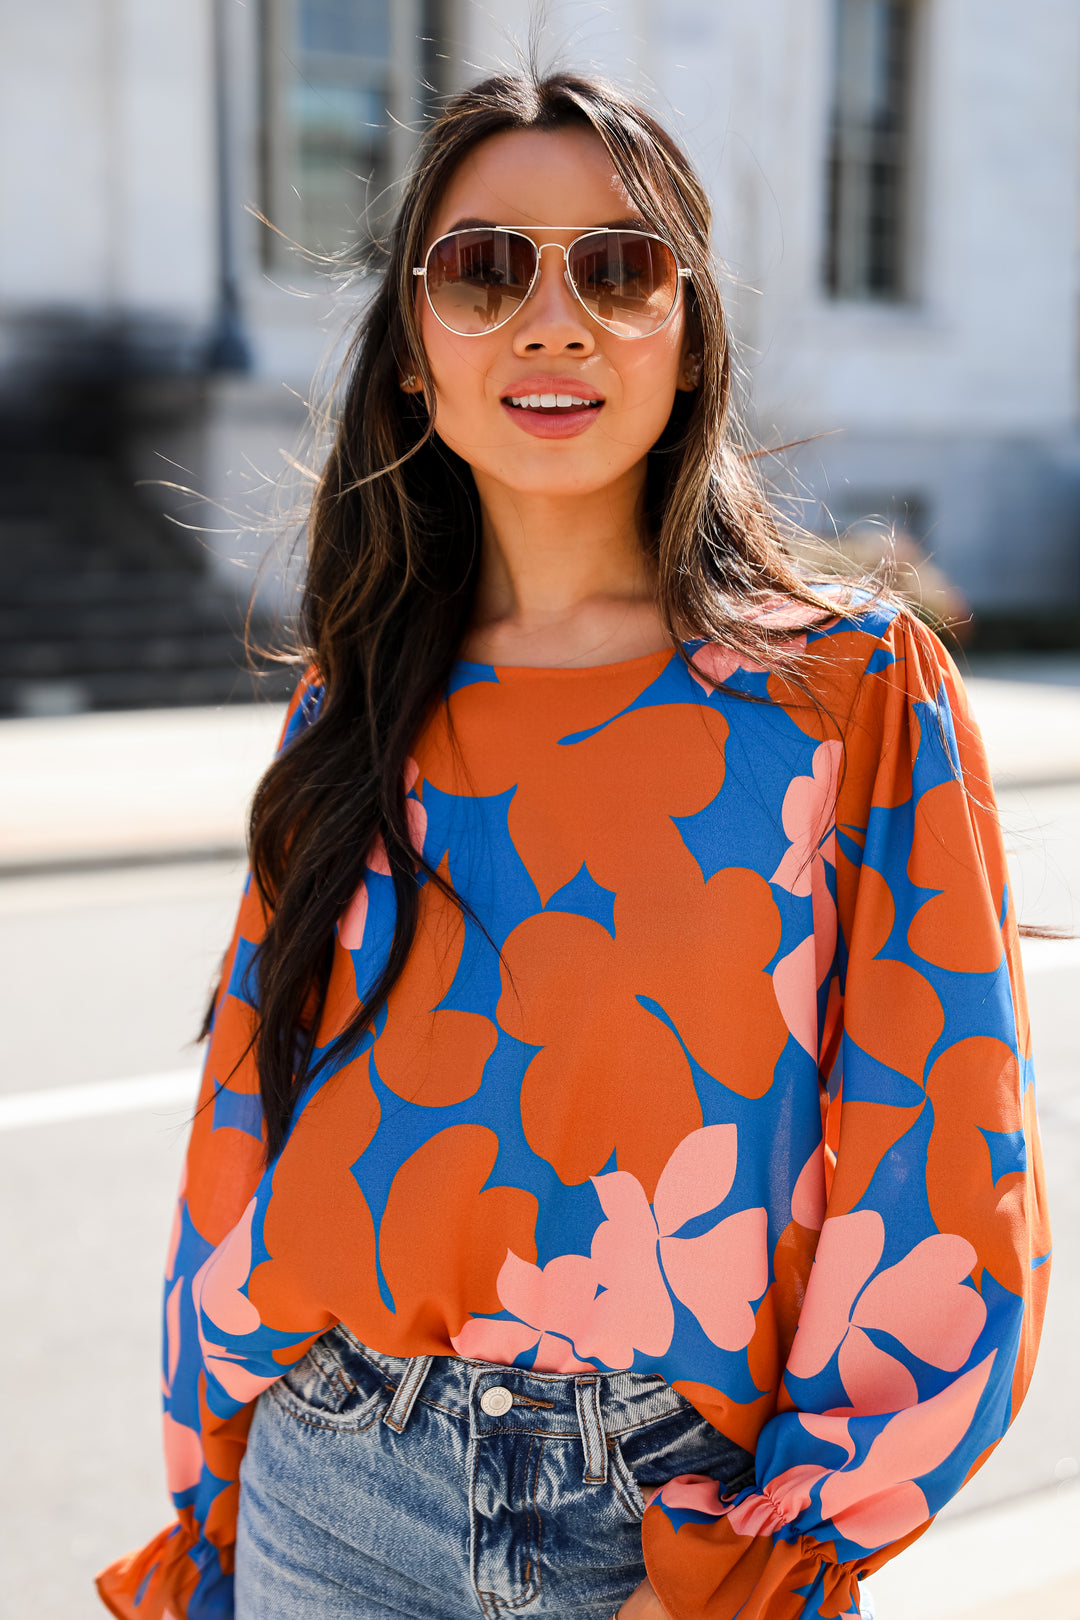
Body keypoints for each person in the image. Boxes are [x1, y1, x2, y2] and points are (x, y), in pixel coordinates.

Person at [97, 70, 1049, 1620]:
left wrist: (758, 1558)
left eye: (618, 269)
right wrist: (213, 1511)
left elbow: (943, 1160)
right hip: (331, 1499)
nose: (555, 322)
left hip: (678, 1521)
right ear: (414, 355)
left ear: (688, 343)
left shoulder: (851, 694)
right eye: (484, 269)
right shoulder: (356, 702)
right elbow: (239, 1144)